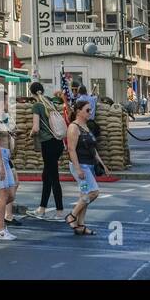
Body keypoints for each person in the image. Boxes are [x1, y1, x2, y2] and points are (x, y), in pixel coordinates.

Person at [29, 82, 67, 221]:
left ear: (32, 93)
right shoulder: (50, 103)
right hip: (58, 143)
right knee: (47, 176)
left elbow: (36, 128)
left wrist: (30, 134)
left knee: (54, 177)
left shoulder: (37, 106)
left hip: (48, 144)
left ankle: (60, 211)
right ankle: (42, 208)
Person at [65, 99, 101, 236]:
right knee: (93, 192)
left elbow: (93, 148)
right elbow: (71, 149)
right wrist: (78, 169)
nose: (89, 112)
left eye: (90, 110)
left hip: (90, 165)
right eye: (87, 110)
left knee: (84, 194)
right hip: (81, 166)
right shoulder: (74, 127)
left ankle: (81, 225)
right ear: (78, 111)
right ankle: (72, 215)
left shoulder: (86, 126)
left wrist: (101, 163)